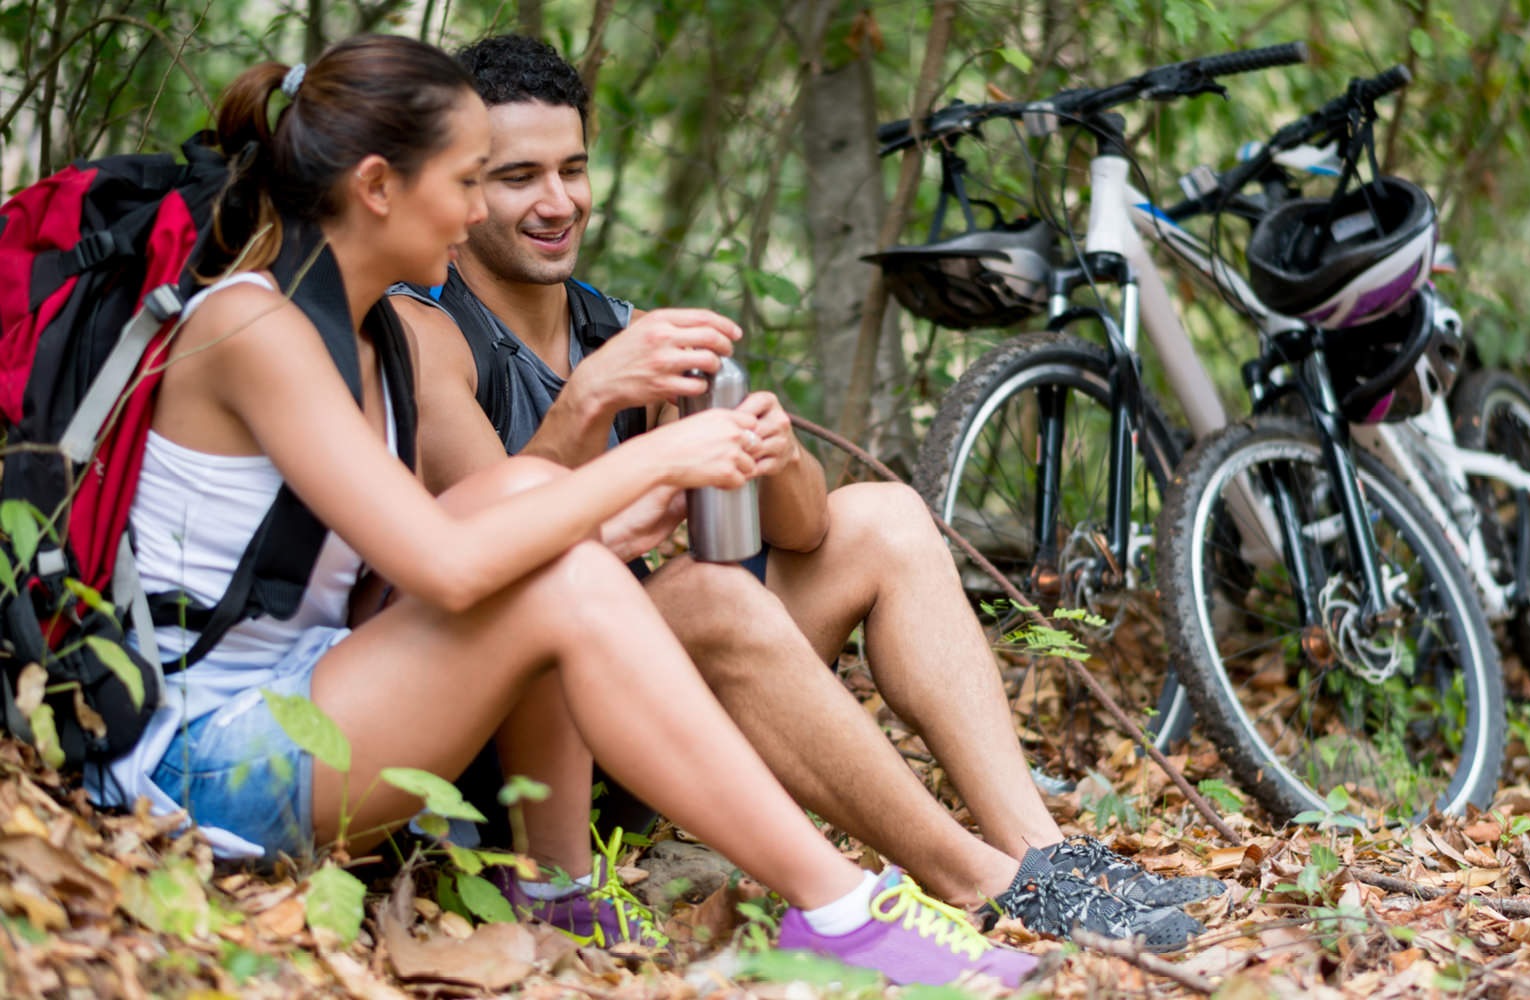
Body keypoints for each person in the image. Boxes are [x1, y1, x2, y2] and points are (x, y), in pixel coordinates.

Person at [89, 34, 1046, 989]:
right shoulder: (258, 324)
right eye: (471, 182)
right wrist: (647, 461)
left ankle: (558, 892)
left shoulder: (361, 328)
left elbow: (405, 569)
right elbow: (446, 568)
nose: (477, 214)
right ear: (378, 187)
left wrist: (639, 499)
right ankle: (841, 910)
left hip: (315, 697)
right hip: (203, 765)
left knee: (534, 512)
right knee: (556, 562)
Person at [391, 34, 1222, 954]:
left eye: (573, 169)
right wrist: (588, 401)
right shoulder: (426, 334)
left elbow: (806, 530)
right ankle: (981, 882)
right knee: (707, 594)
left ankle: (1043, 854)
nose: (558, 202)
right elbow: (497, 549)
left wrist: (774, 453)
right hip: (509, 763)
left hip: (631, 729)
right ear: (463, 189)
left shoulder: (618, 327)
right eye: (518, 177)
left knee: (884, 518)